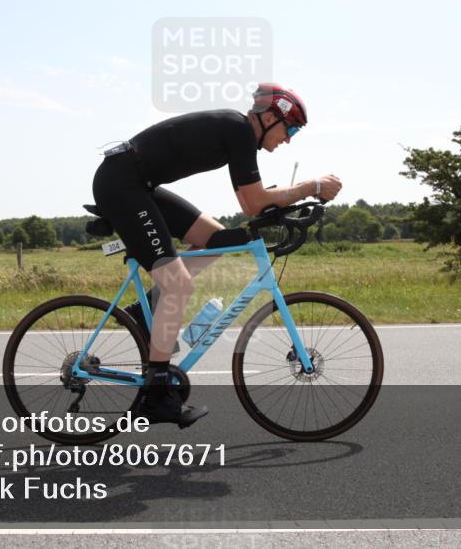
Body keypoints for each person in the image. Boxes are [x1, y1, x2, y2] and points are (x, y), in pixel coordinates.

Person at [91, 83, 342, 426]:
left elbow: (253, 205)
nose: (289, 138)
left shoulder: (239, 133)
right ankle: (157, 394)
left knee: (219, 238)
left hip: (135, 182)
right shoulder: (239, 130)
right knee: (178, 285)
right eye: (291, 128)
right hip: (122, 184)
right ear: (270, 117)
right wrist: (309, 187)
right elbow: (253, 202)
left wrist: (288, 203)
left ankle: (146, 309)